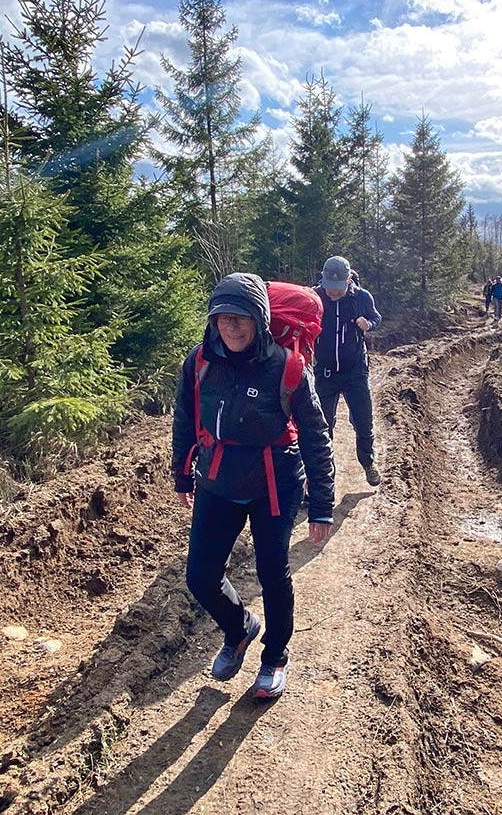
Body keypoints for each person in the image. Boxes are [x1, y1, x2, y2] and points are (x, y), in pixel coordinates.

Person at [172, 273, 336, 700]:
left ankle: (275, 657)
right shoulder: (201, 361)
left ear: (259, 319)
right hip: (217, 481)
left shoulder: (287, 366)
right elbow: (185, 419)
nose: (230, 326)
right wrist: (181, 472)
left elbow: (317, 435)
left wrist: (321, 504)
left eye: (240, 317)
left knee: (272, 574)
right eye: (221, 317)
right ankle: (239, 627)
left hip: (274, 484)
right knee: (200, 576)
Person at [313, 255, 383, 486]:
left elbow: (376, 317)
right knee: (322, 426)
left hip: (355, 371)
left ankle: (368, 462)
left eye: (338, 287)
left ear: (349, 279)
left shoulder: (362, 297)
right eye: (329, 287)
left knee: (363, 421)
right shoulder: (315, 296)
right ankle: (323, 476)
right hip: (325, 372)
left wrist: (369, 324)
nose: (333, 292)